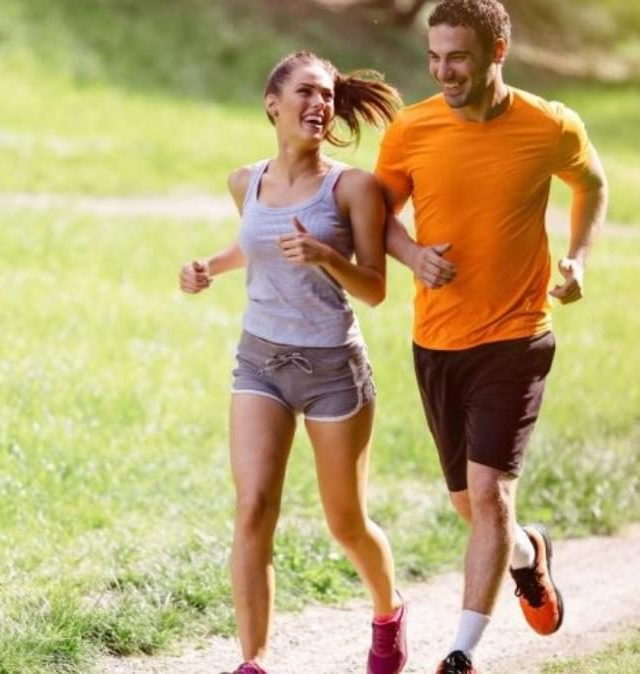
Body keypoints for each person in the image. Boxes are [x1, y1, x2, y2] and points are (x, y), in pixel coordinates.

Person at [373, 1, 609, 672]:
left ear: (496, 51)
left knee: (486, 494)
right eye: (434, 58)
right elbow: (379, 215)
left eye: (458, 58)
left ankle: (460, 652)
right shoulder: (411, 130)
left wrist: (578, 259)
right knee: (470, 507)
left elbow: (589, 186)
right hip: (436, 341)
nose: (443, 71)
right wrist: (412, 254)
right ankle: (529, 555)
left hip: (517, 335)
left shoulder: (548, 124)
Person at [179, 50, 406, 674]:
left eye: (328, 95)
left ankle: (388, 612)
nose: (320, 104)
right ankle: (253, 661)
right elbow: (257, 245)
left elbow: (375, 288)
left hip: (334, 368)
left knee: (346, 523)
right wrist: (209, 267)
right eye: (307, 92)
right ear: (272, 103)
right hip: (260, 361)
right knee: (253, 507)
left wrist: (324, 255)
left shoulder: (352, 187)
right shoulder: (243, 181)